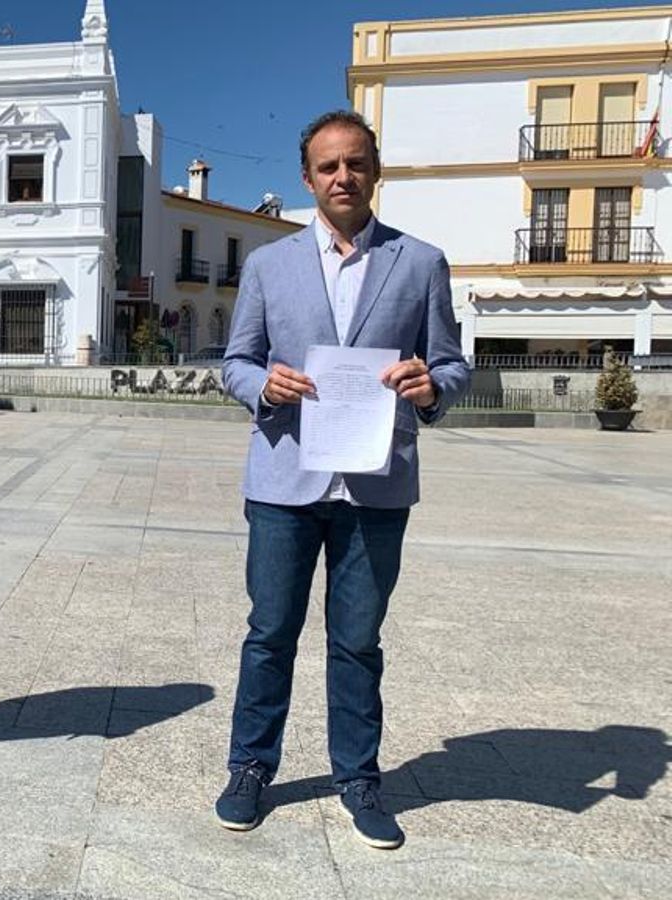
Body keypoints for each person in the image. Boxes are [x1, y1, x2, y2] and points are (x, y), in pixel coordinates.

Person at [213, 110, 470, 849]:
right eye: (328, 167)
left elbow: (450, 364)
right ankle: (250, 768)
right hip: (284, 482)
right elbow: (235, 361)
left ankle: (358, 777)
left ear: (375, 170)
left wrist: (431, 387)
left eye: (355, 163)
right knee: (269, 634)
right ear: (307, 179)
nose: (342, 177)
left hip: (375, 487)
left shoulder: (420, 263)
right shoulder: (268, 264)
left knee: (358, 641)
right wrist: (266, 386)